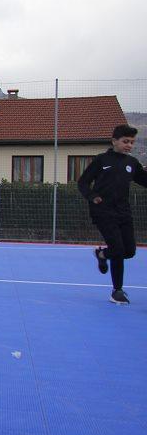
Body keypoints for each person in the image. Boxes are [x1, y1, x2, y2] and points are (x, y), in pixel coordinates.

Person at [78, 124, 147, 305]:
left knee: (129, 251)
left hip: (123, 212)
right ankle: (117, 291)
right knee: (117, 249)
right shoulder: (102, 160)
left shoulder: (132, 163)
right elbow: (83, 182)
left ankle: (102, 255)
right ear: (114, 141)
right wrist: (92, 197)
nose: (129, 145)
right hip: (103, 211)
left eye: (132, 142)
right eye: (125, 141)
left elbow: (144, 180)